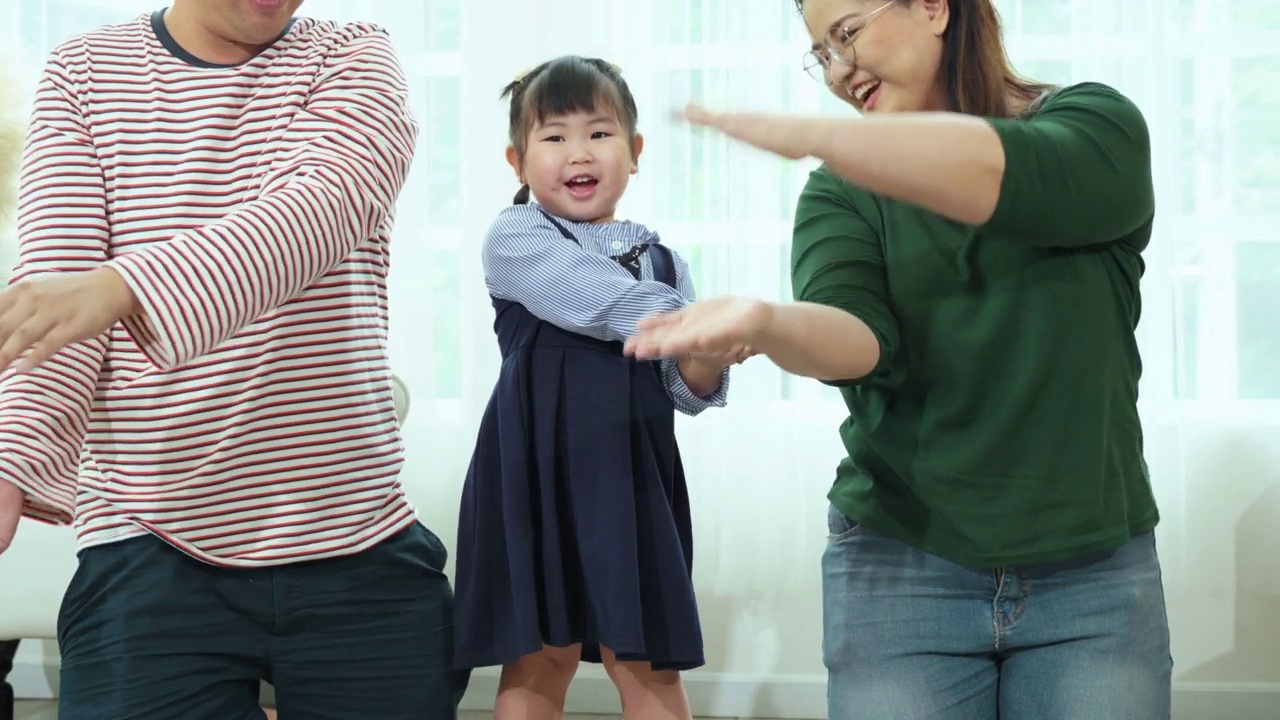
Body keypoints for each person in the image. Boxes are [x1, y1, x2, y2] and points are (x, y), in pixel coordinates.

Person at [626, 0, 1172, 718]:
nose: (838, 69)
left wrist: (814, 137)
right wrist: (768, 323)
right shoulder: (840, 190)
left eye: (846, 34)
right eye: (821, 54)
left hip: (1093, 575)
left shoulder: (1096, 129)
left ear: (933, 8)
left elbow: (994, 174)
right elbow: (857, 341)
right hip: (902, 567)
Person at [0, 1, 466, 718]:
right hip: (148, 540)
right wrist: (10, 463)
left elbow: (316, 211)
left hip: (356, 537)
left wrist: (124, 286)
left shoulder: (354, 56)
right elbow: (53, 307)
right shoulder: (84, 73)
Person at [453, 56, 740, 720]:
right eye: (554, 137)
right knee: (540, 656)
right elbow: (593, 299)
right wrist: (698, 325)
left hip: (631, 475)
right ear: (517, 160)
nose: (578, 152)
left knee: (645, 658)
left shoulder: (667, 262)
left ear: (635, 152)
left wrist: (711, 352)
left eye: (599, 133)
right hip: (534, 472)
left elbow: (687, 389)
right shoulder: (518, 235)